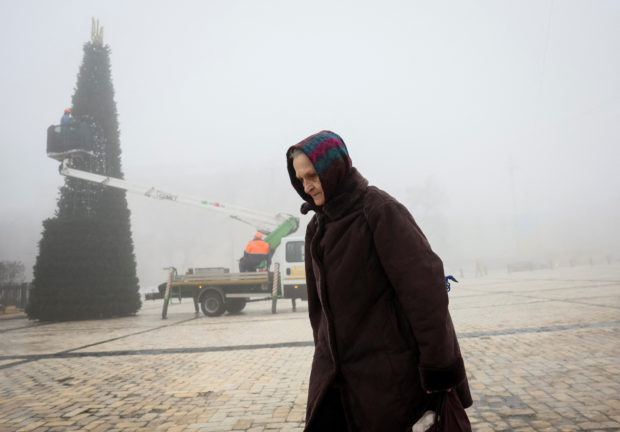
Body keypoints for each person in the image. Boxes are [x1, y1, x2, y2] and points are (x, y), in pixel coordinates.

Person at [286, 131, 472, 432]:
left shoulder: (378, 211)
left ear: (334, 168)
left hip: (394, 385)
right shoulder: (316, 229)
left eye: (312, 175)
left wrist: (438, 370)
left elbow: (426, 295)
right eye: (299, 178)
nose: (306, 186)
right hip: (338, 383)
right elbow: (319, 314)